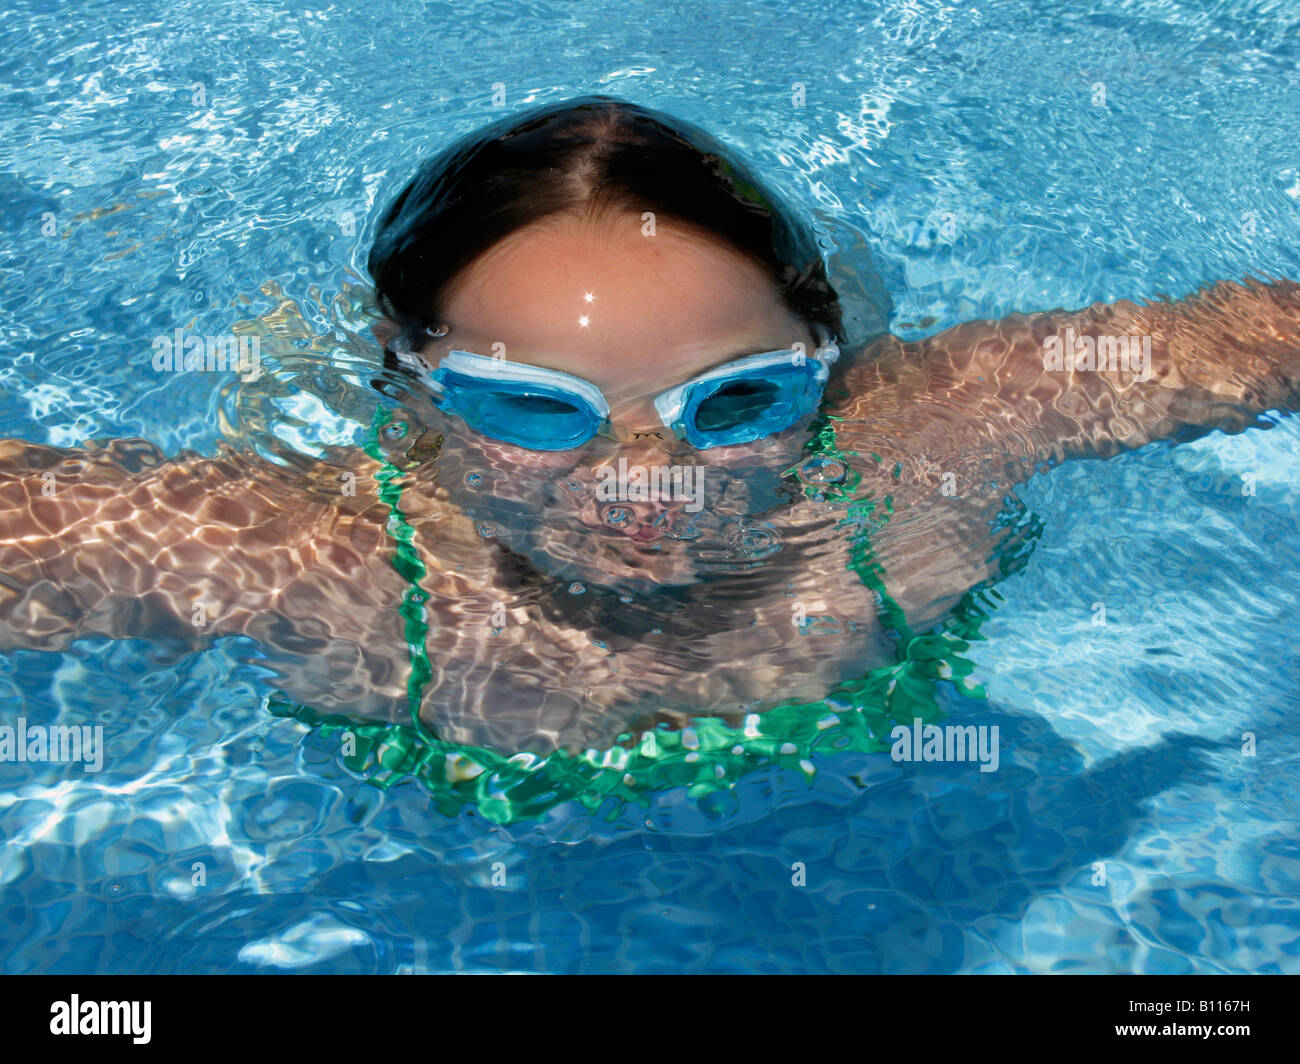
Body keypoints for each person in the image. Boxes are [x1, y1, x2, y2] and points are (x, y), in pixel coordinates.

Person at [2, 95, 1298, 753]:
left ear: (822, 365)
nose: (646, 483)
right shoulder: (300, 554)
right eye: (533, 408)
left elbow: (1263, 338)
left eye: (738, 400)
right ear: (412, 383)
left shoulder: (939, 435)